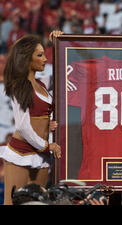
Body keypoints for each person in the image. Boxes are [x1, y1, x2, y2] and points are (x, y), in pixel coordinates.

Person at [0, 34, 61, 205]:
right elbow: (23, 127)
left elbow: (63, 72)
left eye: (45, 54)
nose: (45, 59)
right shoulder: (18, 85)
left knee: (37, 203)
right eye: (40, 55)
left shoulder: (42, 83)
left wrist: (59, 43)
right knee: (13, 202)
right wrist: (47, 145)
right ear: (27, 58)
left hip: (41, 155)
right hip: (21, 152)